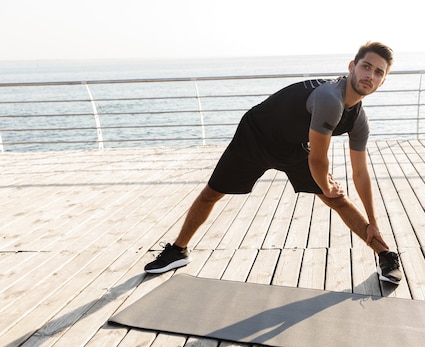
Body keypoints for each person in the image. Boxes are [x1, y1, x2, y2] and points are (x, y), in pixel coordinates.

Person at [145, 41, 403, 284]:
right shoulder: (329, 99)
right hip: (256, 135)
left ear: (383, 80)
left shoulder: (359, 120)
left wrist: (373, 220)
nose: (370, 75)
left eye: (379, 72)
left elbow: (360, 173)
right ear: (352, 67)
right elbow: (318, 158)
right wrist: (325, 185)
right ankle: (178, 251)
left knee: (336, 199)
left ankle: (385, 254)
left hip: (291, 146)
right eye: (366, 66)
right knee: (211, 193)